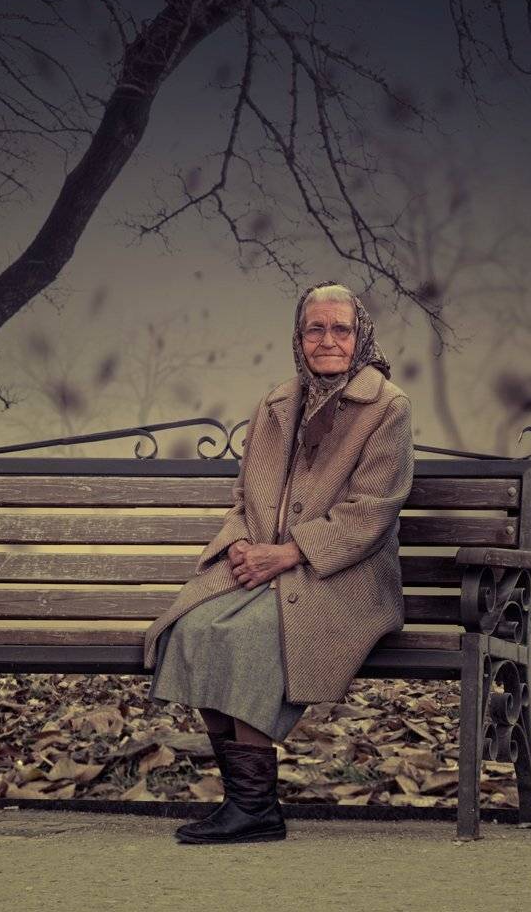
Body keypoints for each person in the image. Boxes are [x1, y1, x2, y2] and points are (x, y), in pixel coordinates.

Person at [142, 280, 415, 844]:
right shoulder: (277, 403)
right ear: (299, 336)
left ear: (360, 335)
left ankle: (253, 809)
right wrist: (241, 546)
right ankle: (249, 803)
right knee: (193, 627)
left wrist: (289, 553)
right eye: (315, 329)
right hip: (269, 568)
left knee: (249, 636)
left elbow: (371, 513)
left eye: (341, 329)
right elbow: (246, 498)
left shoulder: (388, 407)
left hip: (346, 578)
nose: (328, 340)